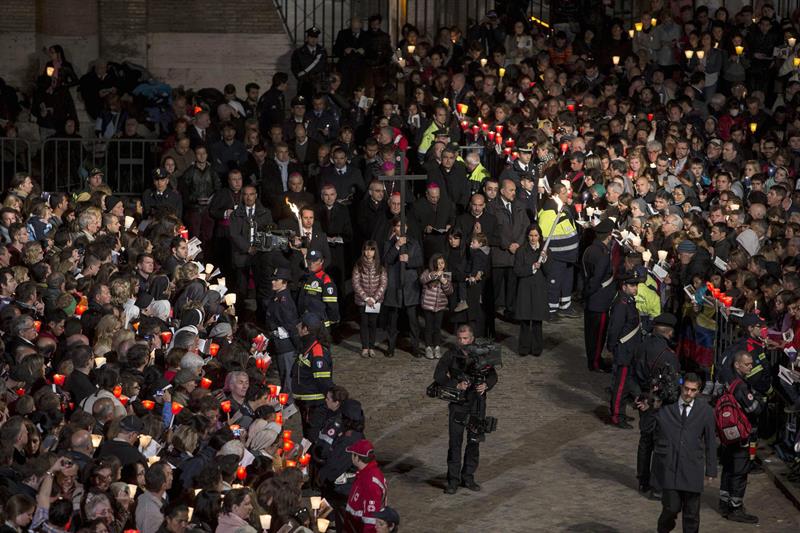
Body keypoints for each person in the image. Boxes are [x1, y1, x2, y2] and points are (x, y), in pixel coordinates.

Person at [636, 373, 717, 533]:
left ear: (698, 391)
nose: (688, 393)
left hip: (692, 468)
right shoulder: (667, 409)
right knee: (671, 508)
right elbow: (646, 429)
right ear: (681, 387)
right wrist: (650, 409)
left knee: (692, 515)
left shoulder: (705, 411)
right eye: (686, 389)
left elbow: (710, 442)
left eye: (693, 390)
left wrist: (711, 470)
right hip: (670, 468)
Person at [434, 324, 497, 494]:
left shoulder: (482, 355)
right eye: (460, 339)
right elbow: (438, 376)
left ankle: (468, 478)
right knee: (455, 443)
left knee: (474, 442)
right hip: (458, 405)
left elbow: (492, 375)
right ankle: (452, 481)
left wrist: (486, 385)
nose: (463, 342)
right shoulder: (450, 355)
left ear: (472, 339)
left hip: (477, 404)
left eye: (466, 338)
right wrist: (456, 384)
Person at [633, 313, 681, 500]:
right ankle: (656, 486)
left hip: (643, 399)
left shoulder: (641, 346)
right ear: (669, 332)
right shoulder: (668, 355)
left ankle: (643, 480)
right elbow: (671, 388)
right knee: (661, 446)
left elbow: (630, 373)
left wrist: (639, 397)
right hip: (660, 405)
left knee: (645, 442)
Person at [718, 350, 763, 524]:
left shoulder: (729, 380)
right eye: (747, 364)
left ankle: (724, 503)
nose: (751, 367)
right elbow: (755, 409)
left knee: (728, 468)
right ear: (737, 365)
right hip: (741, 434)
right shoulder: (742, 386)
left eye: (751, 364)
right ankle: (735, 508)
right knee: (739, 471)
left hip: (728, 434)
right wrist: (760, 400)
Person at [606, 270, 643, 429]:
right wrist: (612, 346)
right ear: (624, 286)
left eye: (636, 285)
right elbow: (615, 328)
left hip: (630, 349)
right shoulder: (621, 304)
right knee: (620, 385)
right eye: (632, 285)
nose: (635, 288)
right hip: (624, 351)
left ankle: (620, 412)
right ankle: (616, 415)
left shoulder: (628, 301)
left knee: (626, 384)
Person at [537, 182, 580, 318]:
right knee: (554, 283)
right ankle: (551, 310)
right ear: (556, 194)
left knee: (567, 281)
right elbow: (543, 235)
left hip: (568, 255)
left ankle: (565, 306)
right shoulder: (550, 210)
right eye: (563, 193)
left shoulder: (562, 207)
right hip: (556, 255)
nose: (566, 195)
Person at [382, 218, 423, 358]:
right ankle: (391, 347)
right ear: (394, 228)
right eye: (398, 226)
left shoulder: (414, 242)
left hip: (410, 285)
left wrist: (408, 260)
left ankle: (415, 347)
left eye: (403, 225)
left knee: (413, 320)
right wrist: (397, 246)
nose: (401, 228)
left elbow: (419, 261)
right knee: (392, 320)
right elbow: (386, 260)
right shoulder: (389, 243)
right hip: (395, 284)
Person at [264, 267, 301, 416]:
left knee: (287, 376)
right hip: (281, 344)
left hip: (286, 345)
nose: (273, 282)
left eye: (276, 280)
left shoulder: (283, 300)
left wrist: (299, 346)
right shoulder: (278, 297)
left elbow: (291, 326)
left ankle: (289, 404)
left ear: (284, 282)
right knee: (284, 374)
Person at [292, 311, 334, 439]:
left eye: (300, 325)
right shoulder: (307, 347)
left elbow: (323, 382)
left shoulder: (317, 352)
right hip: (307, 405)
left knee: (313, 439)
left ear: (306, 329)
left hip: (315, 406)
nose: (297, 326)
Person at [581, 219, 616, 371]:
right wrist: (589, 292)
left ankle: (593, 360)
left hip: (591, 299)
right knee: (597, 336)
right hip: (599, 299)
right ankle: (595, 363)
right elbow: (596, 279)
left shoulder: (589, 249)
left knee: (590, 335)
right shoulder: (602, 254)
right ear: (609, 235)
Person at [513, 225, 549, 357]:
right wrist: (531, 267)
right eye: (531, 235)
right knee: (525, 320)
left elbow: (549, 272)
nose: (533, 238)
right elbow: (517, 270)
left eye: (535, 235)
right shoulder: (521, 251)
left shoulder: (545, 251)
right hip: (525, 289)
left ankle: (537, 348)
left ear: (540, 236)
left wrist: (545, 260)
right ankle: (524, 348)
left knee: (537, 321)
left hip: (539, 289)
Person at [352, 241, 387, 358]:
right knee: (364, 323)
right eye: (366, 249)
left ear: (375, 251)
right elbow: (355, 283)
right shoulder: (358, 265)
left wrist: (374, 298)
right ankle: (365, 347)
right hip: (363, 300)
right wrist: (366, 298)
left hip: (375, 301)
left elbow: (383, 284)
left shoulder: (380, 267)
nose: (369, 252)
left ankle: (371, 347)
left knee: (372, 323)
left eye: (371, 250)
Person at [343, 439, 387, 533]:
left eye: (353, 454)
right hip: (354, 526)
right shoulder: (365, 473)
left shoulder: (370, 483)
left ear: (357, 458)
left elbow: (371, 521)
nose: (351, 457)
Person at [420, 253, 453, 359]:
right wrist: (434, 275)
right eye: (438, 263)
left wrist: (444, 282)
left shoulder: (447, 275)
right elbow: (422, 279)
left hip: (440, 306)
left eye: (442, 263)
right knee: (428, 327)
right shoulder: (427, 272)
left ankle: (437, 347)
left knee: (437, 328)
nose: (440, 265)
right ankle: (428, 347)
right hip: (428, 305)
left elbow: (450, 291)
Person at [291, 27, 328, 102]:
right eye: (311, 37)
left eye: (315, 37)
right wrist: (304, 78)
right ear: (307, 38)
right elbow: (295, 69)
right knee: (303, 104)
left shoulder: (322, 52)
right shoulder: (299, 52)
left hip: (319, 85)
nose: (313, 40)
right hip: (305, 84)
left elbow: (326, 67)